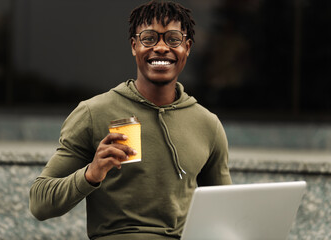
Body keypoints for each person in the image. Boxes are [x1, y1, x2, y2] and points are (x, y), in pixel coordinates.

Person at [29, 1, 232, 239]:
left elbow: (225, 213)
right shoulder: (93, 113)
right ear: (134, 46)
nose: (161, 48)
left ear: (187, 48)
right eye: (149, 38)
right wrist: (90, 174)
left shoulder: (207, 124)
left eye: (173, 39)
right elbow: (39, 202)